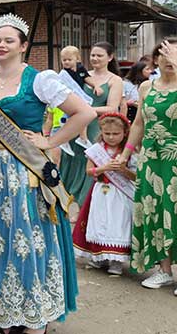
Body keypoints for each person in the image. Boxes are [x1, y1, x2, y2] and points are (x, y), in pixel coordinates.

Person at [0, 13, 96, 334]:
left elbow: (85, 113)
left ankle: (32, 316)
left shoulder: (39, 80)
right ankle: (5, 311)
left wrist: (49, 140)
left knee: (25, 240)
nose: (1, 45)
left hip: (25, 173)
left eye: (9, 40)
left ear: (23, 46)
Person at [119, 38, 177, 292]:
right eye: (164, 54)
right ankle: (164, 271)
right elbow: (140, 124)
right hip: (151, 159)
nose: (170, 59)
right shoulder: (146, 87)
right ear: (155, 59)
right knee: (154, 210)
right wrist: (126, 153)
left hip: (174, 156)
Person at [72, 113, 136, 275]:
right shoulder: (97, 150)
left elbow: (136, 176)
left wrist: (123, 170)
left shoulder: (129, 153)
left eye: (116, 134)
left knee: (118, 223)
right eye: (107, 134)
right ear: (101, 132)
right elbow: (89, 171)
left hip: (120, 195)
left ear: (125, 133)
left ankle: (116, 261)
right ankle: (99, 256)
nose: (111, 137)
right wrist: (104, 168)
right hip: (101, 191)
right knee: (99, 221)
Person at [60, 42, 124, 205]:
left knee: (89, 160)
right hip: (77, 124)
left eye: (99, 55)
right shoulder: (83, 75)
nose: (95, 58)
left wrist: (88, 109)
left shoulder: (115, 80)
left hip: (97, 126)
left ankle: (85, 204)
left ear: (110, 57)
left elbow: (112, 107)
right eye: (93, 55)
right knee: (71, 158)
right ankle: (67, 199)